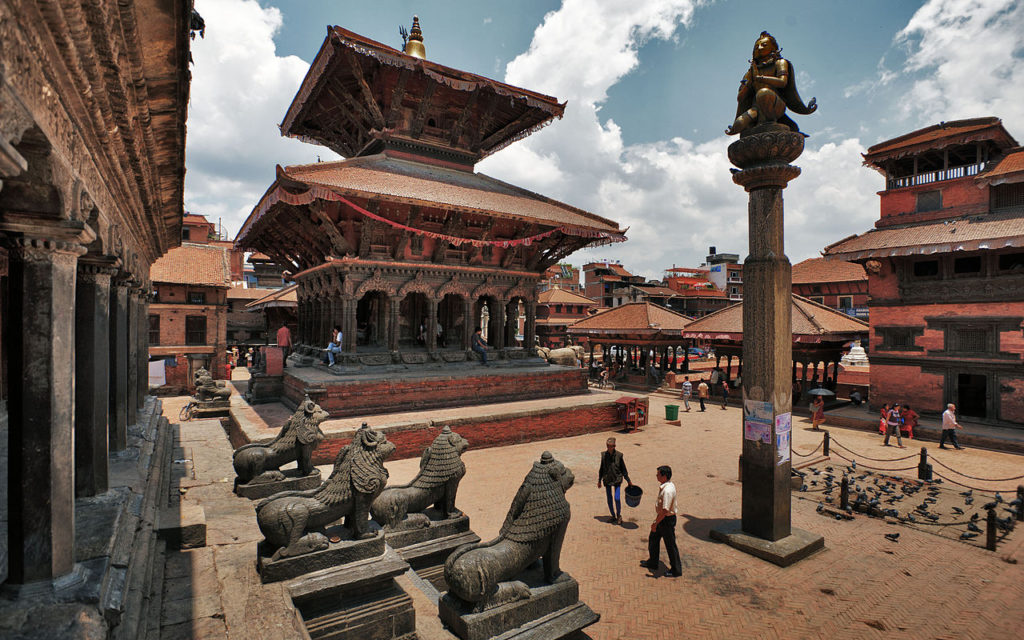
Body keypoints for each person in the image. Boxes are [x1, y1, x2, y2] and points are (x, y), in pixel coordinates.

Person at [640, 465, 681, 577]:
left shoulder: (667, 491)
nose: (656, 476)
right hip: (663, 518)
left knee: (670, 544)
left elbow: (664, 510)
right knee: (653, 538)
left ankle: (676, 570)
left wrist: (656, 523)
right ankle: (653, 562)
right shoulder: (668, 486)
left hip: (666, 520)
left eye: (658, 474)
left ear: (664, 476)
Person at [597, 437, 632, 524]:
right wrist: (599, 480)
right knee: (609, 498)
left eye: (610, 446)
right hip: (607, 479)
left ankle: (619, 515)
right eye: (607, 446)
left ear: (614, 446)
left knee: (616, 498)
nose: (609, 448)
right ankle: (613, 515)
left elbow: (624, 469)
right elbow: (601, 468)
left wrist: (628, 480)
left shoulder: (619, 456)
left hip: (617, 479)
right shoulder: (604, 455)